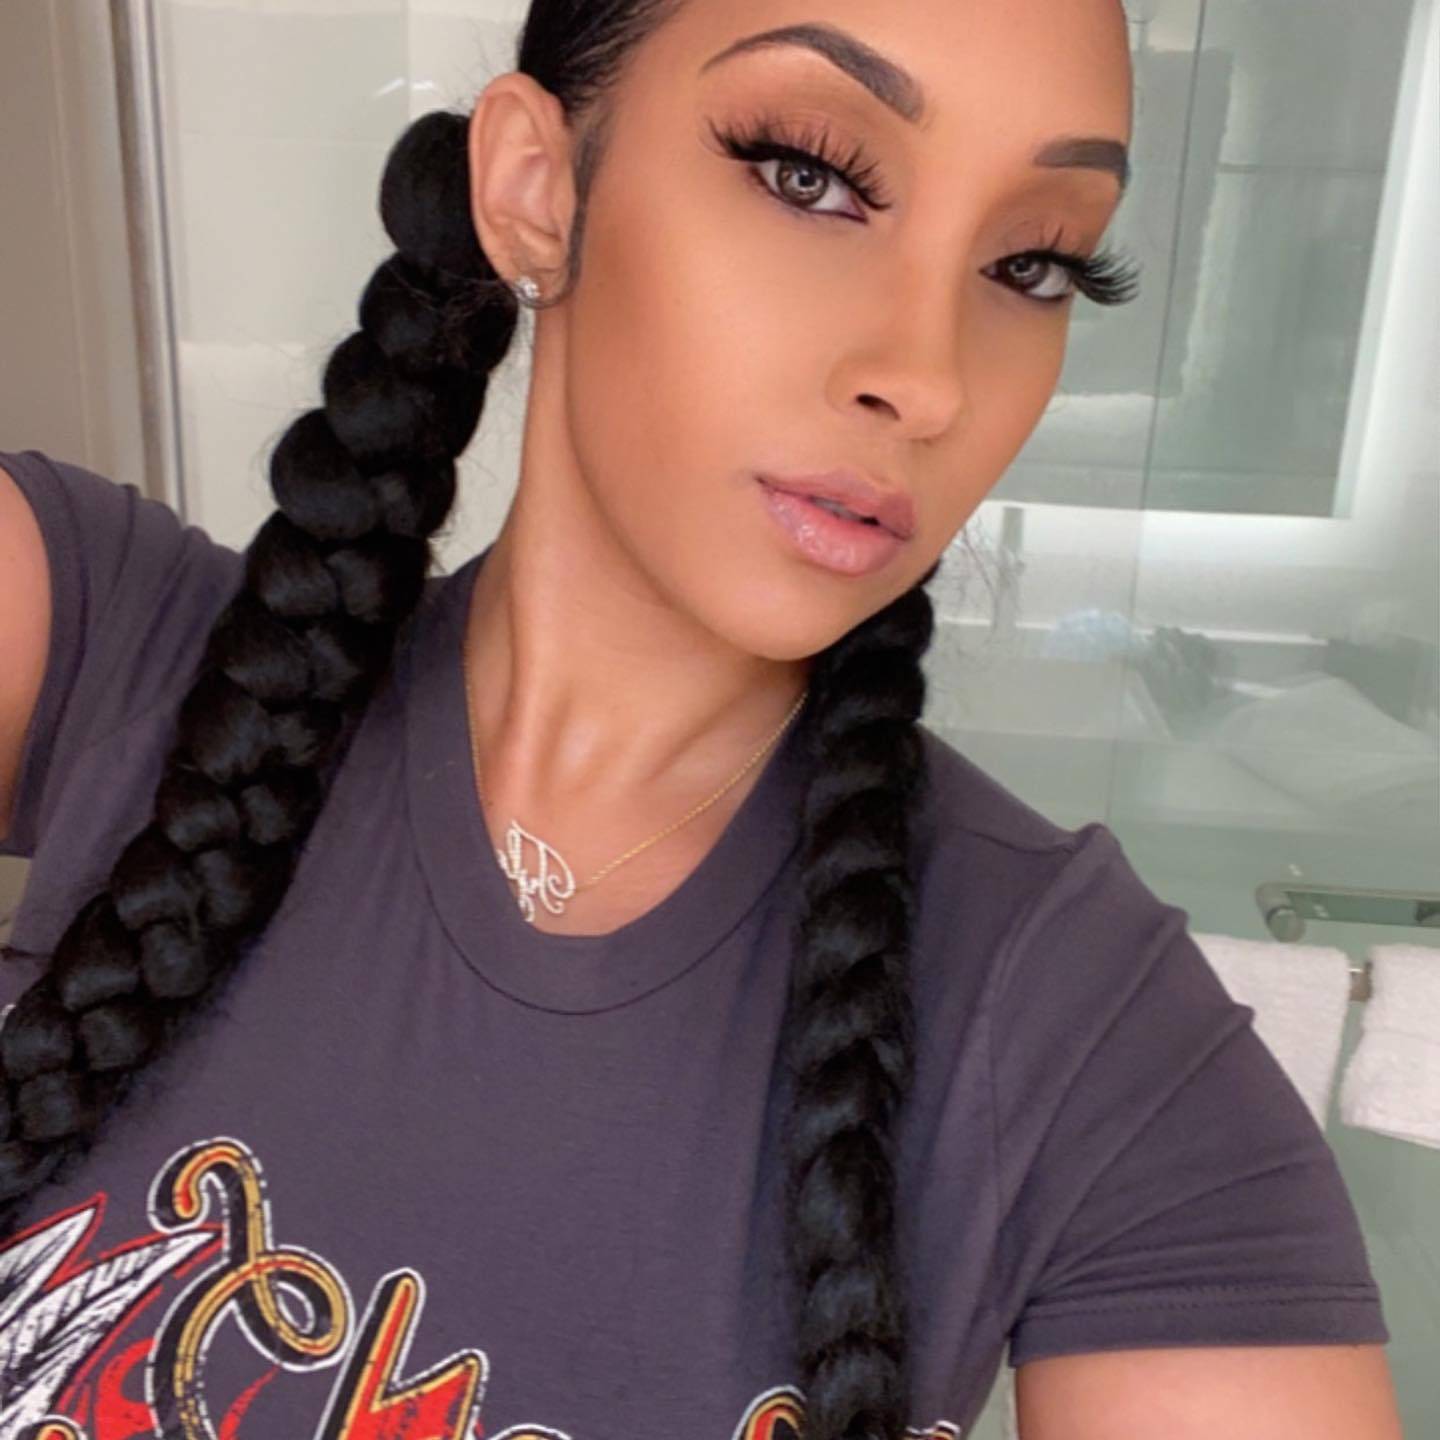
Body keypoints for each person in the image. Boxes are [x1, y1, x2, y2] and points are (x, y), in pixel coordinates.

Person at [0, 1, 1402, 1437]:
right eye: (810, 175)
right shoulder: (99, 635)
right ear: (538, 189)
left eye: (1031, 262)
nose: (928, 380)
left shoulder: (1093, 1043)